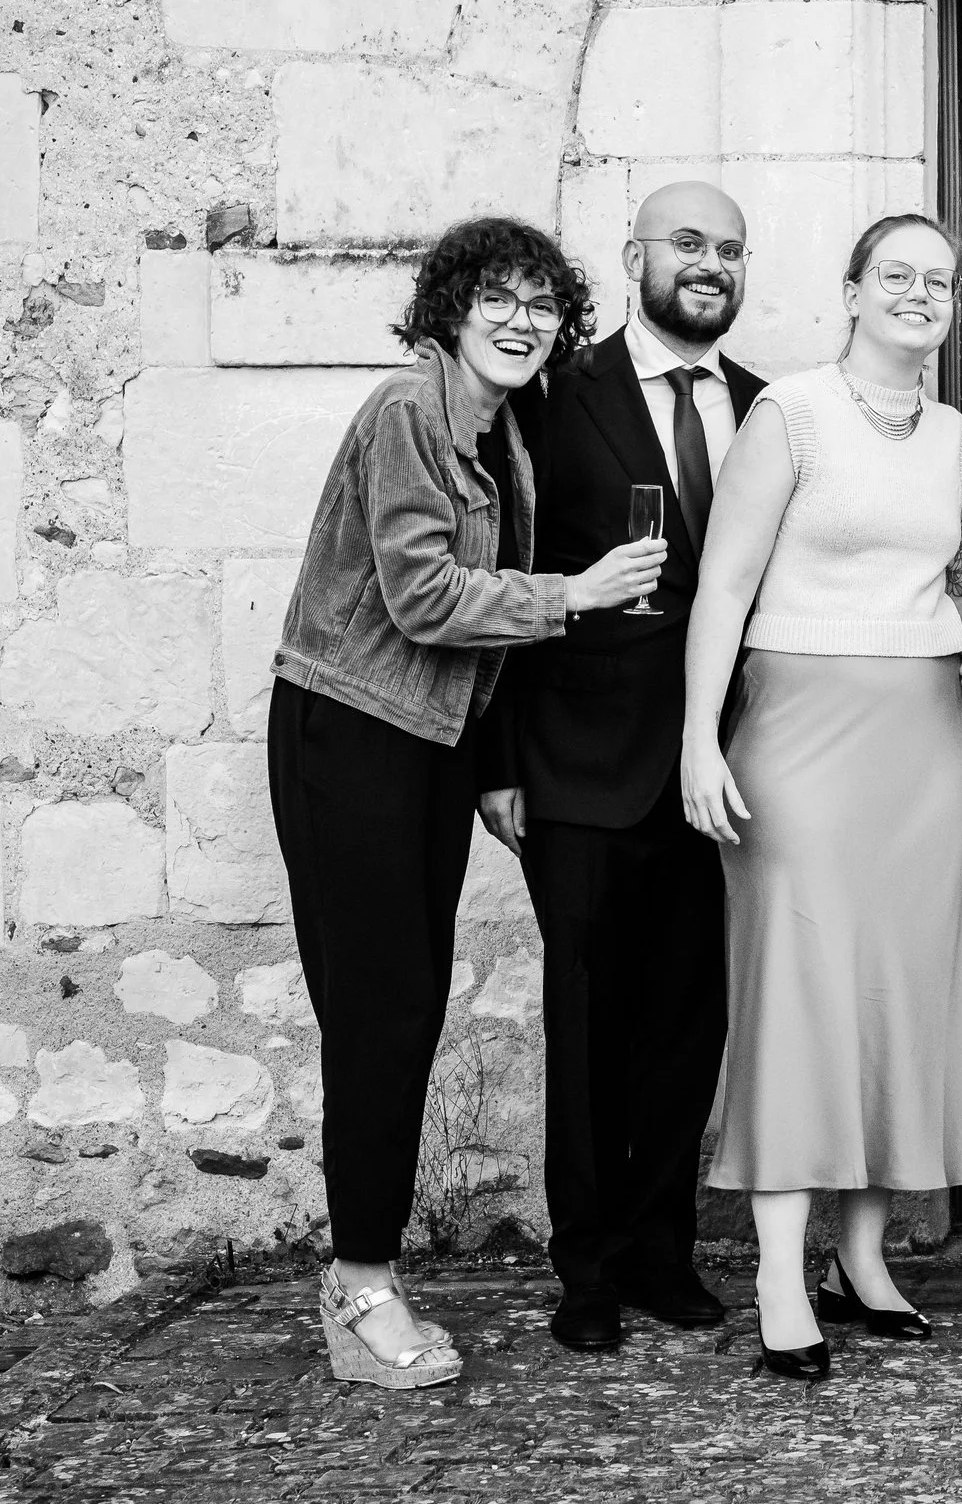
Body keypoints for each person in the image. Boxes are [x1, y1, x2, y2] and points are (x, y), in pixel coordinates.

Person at [267, 218, 664, 1389]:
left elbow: (462, 643)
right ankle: (362, 1288)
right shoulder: (409, 412)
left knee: (401, 1008)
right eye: (496, 295)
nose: (520, 318)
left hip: (426, 741)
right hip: (352, 731)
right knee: (383, 1014)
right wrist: (574, 595)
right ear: (448, 306)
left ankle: (365, 1267)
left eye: (542, 302)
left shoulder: (495, 430)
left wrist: (488, 760)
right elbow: (424, 595)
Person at [682, 213, 962, 1381]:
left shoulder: (958, 435)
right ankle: (779, 1267)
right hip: (799, 732)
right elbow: (720, 583)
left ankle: (863, 1259)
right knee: (801, 990)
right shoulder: (792, 415)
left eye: (938, 279)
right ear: (853, 289)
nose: (918, 293)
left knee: (898, 999)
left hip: (926, 741)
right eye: (897, 275)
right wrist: (697, 739)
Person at [478, 182, 765, 1353]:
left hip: (719, 770)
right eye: (688, 243)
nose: (710, 264)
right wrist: (496, 762)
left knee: (687, 1023)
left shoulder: (764, 405)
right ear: (637, 254)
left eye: (730, 250)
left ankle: (661, 1249)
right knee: (591, 1022)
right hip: (580, 763)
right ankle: (584, 1265)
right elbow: (499, 561)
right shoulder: (553, 394)